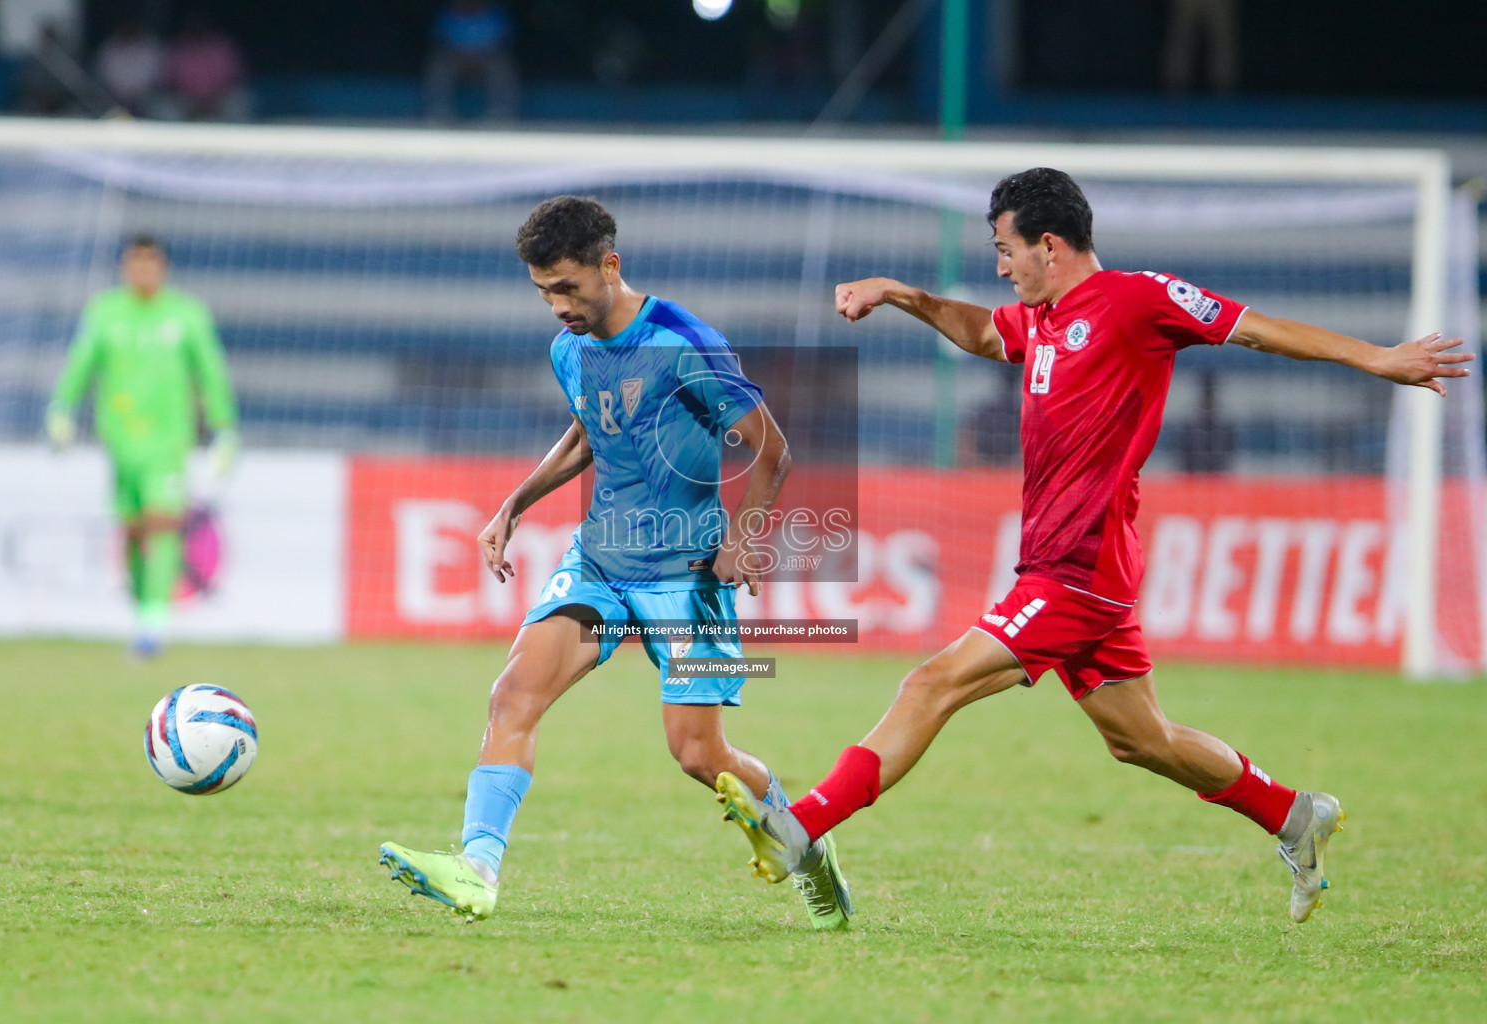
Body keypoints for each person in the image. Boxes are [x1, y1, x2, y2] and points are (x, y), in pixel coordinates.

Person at [716, 168, 1472, 924]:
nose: (1000, 265)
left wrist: (1376, 358)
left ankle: (799, 828)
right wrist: (899, 293)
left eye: (1005, 249)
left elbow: (1259, 329)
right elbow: (981, 332)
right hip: (1074, 568)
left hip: (1078, 571)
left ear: (1050, 244)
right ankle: (1296, 816)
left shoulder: (1139, 300)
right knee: (1142, 739)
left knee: (929, 685)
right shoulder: (1041, 318)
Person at [378, 197, 854, 929]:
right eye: (543, 292)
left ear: (611, 265)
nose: (556, 306)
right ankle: (477, 869)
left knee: (698, 753)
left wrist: (746, 538)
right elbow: (588, 433)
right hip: (599, 562)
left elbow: (773, 449)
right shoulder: (569, 349)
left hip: (685, 574)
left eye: (567, 286)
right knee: (513, 695)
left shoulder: (682, 342)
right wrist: (515, 503)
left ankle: (805, 847)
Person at [47, 236, 239, 658]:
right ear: (124, 267)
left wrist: (224, 429)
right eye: (136, 263)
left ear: (163, 267)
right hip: (119, 442)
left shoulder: (186, 314)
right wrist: (62, 408)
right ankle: (143, 614)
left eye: (150, 263)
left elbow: (210, 373)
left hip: (169, 441)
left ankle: (155, 625)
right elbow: (81, 363)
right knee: (133, 529)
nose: (143, 271)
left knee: (163, 522)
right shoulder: (105, 312)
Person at [425, 0, 519, 122]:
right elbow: (442, 41)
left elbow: (502, 42)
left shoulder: (494, 16)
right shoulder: (449, 15)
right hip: (455, 59)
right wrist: (460, 55)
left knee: (502, 64)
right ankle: (439, 111)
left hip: (486, 59)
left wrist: (480, 55)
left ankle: (502, 113)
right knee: (437, 62)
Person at [161, 12, 248, 121]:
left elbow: (234, 78)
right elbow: (169, 81)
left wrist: (211, 100)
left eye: (200, 23)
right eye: (193, 24)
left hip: (220, 100)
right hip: (186, 102)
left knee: (240, 101)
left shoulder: (222, 46)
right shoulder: (176, 48)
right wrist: (194, 102)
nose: (196, 27)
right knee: (164, 107)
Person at [93, 16, 164, 117]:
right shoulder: (109, 48)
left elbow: (158, 77)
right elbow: (103, 77)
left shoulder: (150, 48)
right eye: (125, 26)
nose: (128, 29)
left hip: (147, 101)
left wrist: (136, 96)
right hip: (112, 100)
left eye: (131, 26)